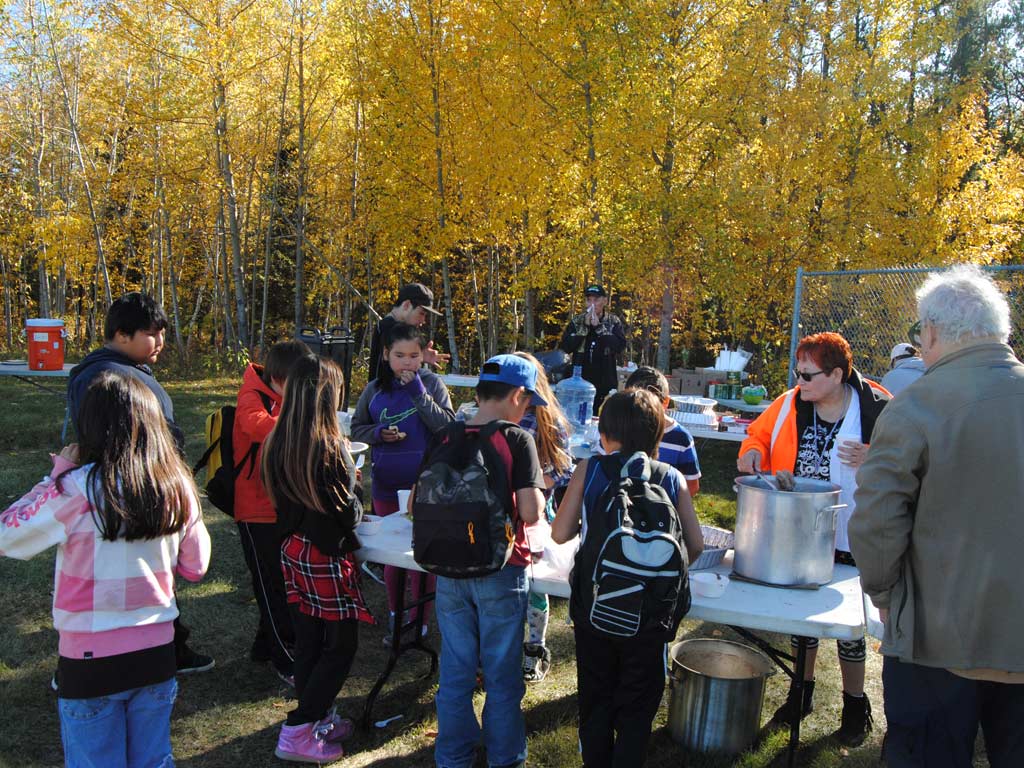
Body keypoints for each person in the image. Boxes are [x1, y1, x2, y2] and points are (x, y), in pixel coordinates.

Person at [850, 265, 1024, 768]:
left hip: (937, 640)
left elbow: (877, 521)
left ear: (929, 332)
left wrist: (884, 595)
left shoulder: (916, 405)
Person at [1, 371, 210, 768]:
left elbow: (7, 534)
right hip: (156, 655)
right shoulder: (176, 487)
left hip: (89, 663)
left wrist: (56, 476)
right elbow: (196, 567)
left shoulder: (75, 488)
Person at [736, 331, 890, 746]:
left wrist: (875, 455)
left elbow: (911, 457)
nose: (798, 381)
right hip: (798, 529)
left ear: (837, 374)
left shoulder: (877, 406)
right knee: (802, 620)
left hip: (854, 530)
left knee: (849, 628)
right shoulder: (789, 403)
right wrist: (751, 454)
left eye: (807, 374)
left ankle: (855, 705)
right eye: (797, 372)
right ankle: (799, 693)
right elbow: (758, 437)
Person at [551, 389, 703, 768]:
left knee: (596, 702)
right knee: (637, 711)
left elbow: (559, 533)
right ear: (658, 437)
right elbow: (695, 546)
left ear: (604, 434)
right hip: (651, 618)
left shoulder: (590, 469)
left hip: (596, 612)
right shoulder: (671, 477)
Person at [66, 291, 213, 676]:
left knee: (154, 573)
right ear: (121, 334)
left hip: (143, 484)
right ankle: (91, 659)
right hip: (120, 494)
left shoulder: (126, 368)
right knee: (127, 579)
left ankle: (170, 646)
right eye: (151, 333)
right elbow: (106, 440)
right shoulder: (104, 377)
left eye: (162, 333)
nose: (160, 342)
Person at [432, 354, 546, 768]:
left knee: (456, 672)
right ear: (518, 395)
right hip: (501, 569)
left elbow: (416, 501)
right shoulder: (517, 438)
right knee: (501, 677)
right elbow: (531, 512)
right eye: (529, 402)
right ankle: (505, 759)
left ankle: (452, 758)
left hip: (448, 568)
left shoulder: (446, 433)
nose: (528, 409)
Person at [262, 356, 371, 764]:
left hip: (293, 551)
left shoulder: (278, 439)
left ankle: (318, 717)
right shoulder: (330, 448)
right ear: (328, 398)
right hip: (324, 556)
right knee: (341, 647)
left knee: (309, 641)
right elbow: (345, 514)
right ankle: (299, 727)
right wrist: (356, 491)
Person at [351, 322, 455, 643]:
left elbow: (447, 427)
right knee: (391, 556)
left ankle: (419, 618)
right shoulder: (374, 390)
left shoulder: (432, 384)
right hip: (385, 484)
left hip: (424, 486)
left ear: (423, 356)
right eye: (400, 355)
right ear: (386, 355)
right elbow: (356, 429)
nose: (407, 363)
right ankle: (397, 613)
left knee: (420, 556)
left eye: (414, 356)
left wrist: (418, 394)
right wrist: (379, 435)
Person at [233, 340, 315, 684]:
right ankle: (284, 658)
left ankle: (265, 645)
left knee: (279, 580)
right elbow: (257, 426)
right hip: (256, 509)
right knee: (271, 585)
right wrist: (305, 424)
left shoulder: (283, 395)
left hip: (280, 504)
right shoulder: (252, 395)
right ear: (281, 378)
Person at [512, 351, 573, 684]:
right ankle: (501, 647)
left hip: (535, 518)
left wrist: (526, 482)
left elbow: (561, 472)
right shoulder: (498, 416)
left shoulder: (550, 422)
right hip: (501, 518)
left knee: (535, 584)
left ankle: (534, 648)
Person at [624, 366, 701, 496]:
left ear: (665, 402)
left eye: (649, 406)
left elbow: (692, 485)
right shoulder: (619, 428)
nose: (642, 412)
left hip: (662, 510)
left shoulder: (681, 438)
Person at [558, 284, 627, 414]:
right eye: (589, 300)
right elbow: (565, 347)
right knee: (578, 416)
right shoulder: (577, 321)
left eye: (596, 300)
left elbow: (619, 346)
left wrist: (599, 328)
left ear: (605, 301)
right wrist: (584, 328)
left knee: (602, 417)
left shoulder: (613, 321)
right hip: (580, 380)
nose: (592, 304)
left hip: (605, 379)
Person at [367, 282, 450, 381]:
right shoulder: (389, 328)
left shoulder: (387, 326)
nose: (423, 321)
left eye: (413, 355)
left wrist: (420, 355)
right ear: (406, 305)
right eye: (421, 313)